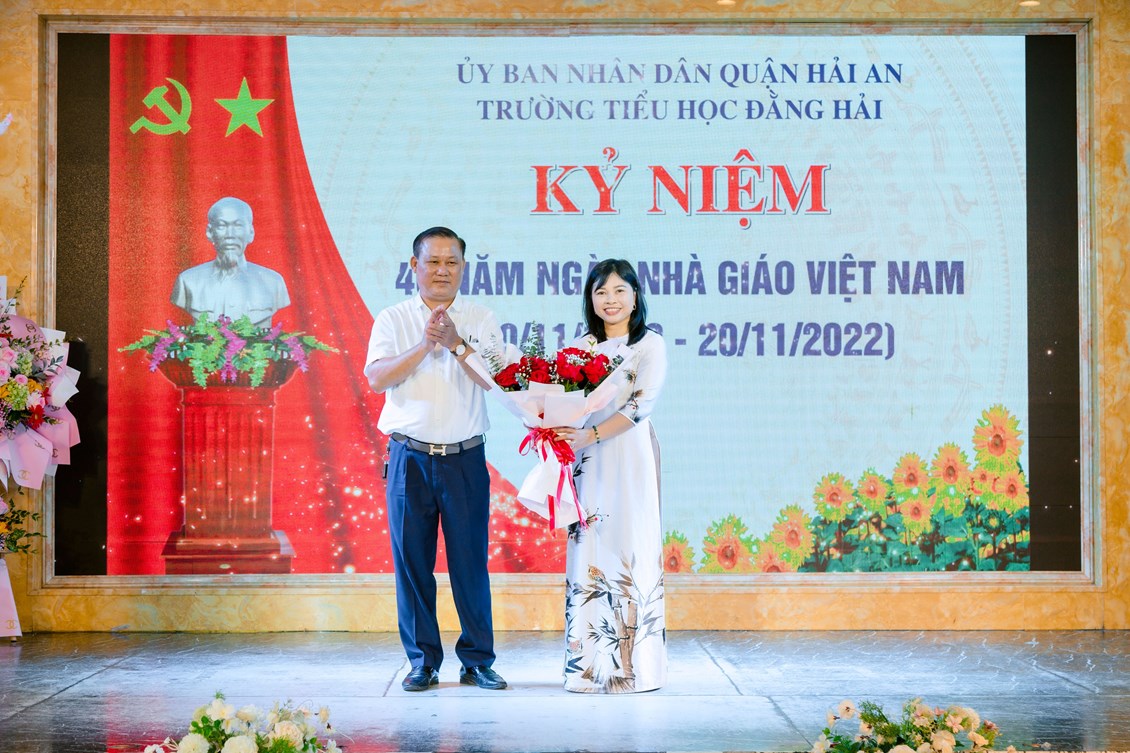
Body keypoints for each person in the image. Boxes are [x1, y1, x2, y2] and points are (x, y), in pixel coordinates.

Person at [363, 226, 508, 693]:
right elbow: (377, 378)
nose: (442, 271)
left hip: (465, 459)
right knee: (412, 566)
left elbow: (495, 380)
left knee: (470, 565)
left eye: (452, 262)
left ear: (463, 267)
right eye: (433, 261)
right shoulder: (393, 319)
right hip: (409, 458)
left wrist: (455, 343)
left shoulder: (481, 317)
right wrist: (426, 345)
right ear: (414, 266)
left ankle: (477, 661)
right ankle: (422, 662)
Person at [552, 259, 668, 693]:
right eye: (601, 292)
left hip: (629, 453)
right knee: (590, 548)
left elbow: (640, 405)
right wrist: (556, 427)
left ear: (635, 297)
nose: (611, 300)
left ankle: (636, 669)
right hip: (589, 461)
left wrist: (592, 434)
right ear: (591, 299)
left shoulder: (650, 344)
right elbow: (562, 402)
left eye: (620, 290)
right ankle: (587, 668)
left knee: (631, 547)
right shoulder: (579, 347)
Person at [171, 197, 290, 328]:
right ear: (210, 232)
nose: (230, 235)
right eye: (222, 226)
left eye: (238, 226)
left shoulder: (273, 282)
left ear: (251, 233)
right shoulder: (188, 281)